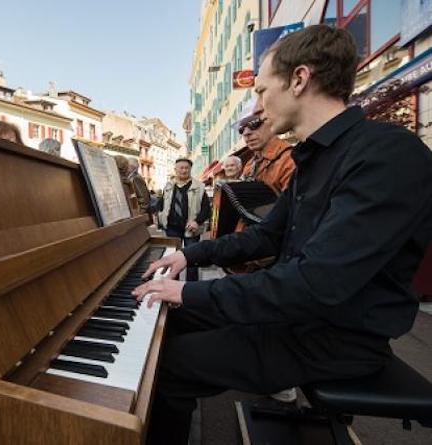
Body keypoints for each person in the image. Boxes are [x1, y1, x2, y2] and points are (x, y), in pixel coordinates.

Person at [133, 24, 432, 445]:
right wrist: (188, 258)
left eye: (260, 90)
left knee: (169, 365)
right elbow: (265, 236)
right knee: (167, 323)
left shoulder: (387, 154)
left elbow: (317, 283)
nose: (257, 105)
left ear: (299, 79)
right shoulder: (315, 158)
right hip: (300, 316)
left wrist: (186, 293)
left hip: (335, 337)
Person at [157, 158, 211, 281]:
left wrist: (197, 222)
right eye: (181, 168)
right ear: (175, 170)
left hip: (190, 228)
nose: (184, 170)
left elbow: (206, 209)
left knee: (192, 259)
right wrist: (160, 221)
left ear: (190, 169)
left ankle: (191, 287)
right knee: (171, 258)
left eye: (186, 168)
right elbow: (162, 205)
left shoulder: (199, 187)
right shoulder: (168, 186)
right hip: (171, 228)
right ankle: (171, 285)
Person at [237, 97, 295, 196]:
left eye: (253, 124)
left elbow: (293, 207)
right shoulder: (249, 165)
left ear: (271, 122)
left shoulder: (289, 159)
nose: (246, 133)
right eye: (241, 129)